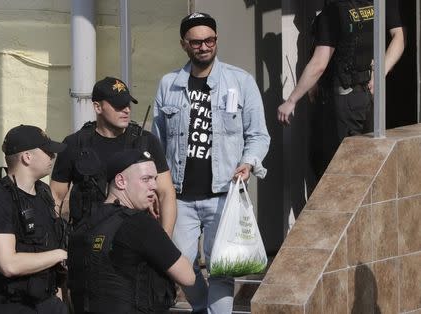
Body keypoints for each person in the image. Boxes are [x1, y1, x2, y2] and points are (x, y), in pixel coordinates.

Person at [152, 12, 270, 314]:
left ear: (216, 41)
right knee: (177, 264)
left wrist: (249, 162)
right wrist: (155, 189)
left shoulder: (240, 81)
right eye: (196, 42)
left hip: (224, 195)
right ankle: (203, 306)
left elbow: (258, 135)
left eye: (210, 40)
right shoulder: (169, 84)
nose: (203, 47)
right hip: (179, 197)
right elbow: (158, 144)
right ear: (184, 45)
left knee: (222, 269)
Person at [277, 0, 406, 176]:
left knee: (341, 170)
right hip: (367, 96)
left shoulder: (334, 11)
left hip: (344, 101)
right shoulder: (375, 4)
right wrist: (380, 72)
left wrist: (291, 100)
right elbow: (399, 37)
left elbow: (319, 64)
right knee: (366, 163)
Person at [67, 149, 195, 313]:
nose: (154, 186)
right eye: (146, 179)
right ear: (121, 181)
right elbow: (188, 277)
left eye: (155, 179)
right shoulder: (140, 223)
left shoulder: (84, 224)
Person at [50, 77, 176, 236]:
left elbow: (166, 193)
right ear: (97, 107)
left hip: (136, 239)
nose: (126, 110)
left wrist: (165, 240)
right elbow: (55, 195)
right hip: (88, 239)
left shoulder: (145, 142)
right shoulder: (75, 144)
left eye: (127, 104)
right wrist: (57, 241)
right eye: (118, 105)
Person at [0, 125, 68, 314]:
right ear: (27, 157)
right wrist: (61, 254)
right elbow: (9, 264)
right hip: (9, 306)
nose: (53, 156)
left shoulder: (43, 193)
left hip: (46, 303)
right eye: (47, 151)